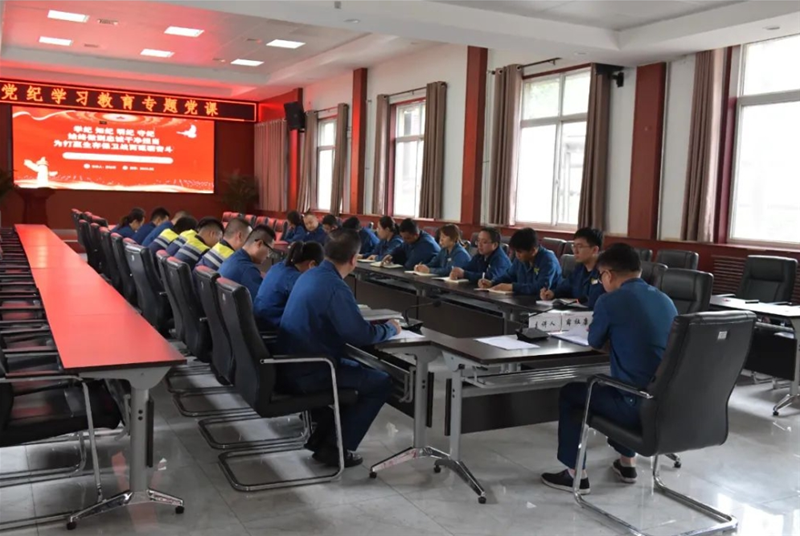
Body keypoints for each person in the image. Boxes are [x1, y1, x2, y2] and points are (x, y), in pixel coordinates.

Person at [541, 244, 678, 494]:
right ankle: (627, 464)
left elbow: (594, 341)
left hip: (633, 405)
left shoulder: (610, 300)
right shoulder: (665, 299)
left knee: (572, 393)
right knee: (620, 382)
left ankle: (575, 474)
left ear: (608, 275)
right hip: (666, 403)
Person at [277, 229, 401, 468]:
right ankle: (335, 449)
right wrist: (390, 329)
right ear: (354, 259)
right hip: (311, 370)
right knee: (381, 382)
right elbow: (360, 335)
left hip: (291, 363)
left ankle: (324, 440)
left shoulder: (310, 275)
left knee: (358, 370)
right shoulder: (334, 286)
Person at [254, 241, 324, 330]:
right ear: (312, 265)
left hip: (260, 321)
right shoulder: (295, 279)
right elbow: (312, 305)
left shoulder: (279, 266)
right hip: (271, 327)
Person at [480, 228, 560, 295]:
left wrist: (512, 287)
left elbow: (541, 288)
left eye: (519, 252)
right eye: (515, 251)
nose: (517, 255)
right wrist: (492, 282)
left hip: (545, 303)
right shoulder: (520, 259)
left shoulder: (548, 261)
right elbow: (509, 276)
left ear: (533, 250)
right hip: (523, 299)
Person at [541, 228, 605, 309]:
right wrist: (552, 293)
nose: (575, 251)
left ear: (595, 250)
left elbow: (596, 300)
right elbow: (565, 288)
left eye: (580, 247)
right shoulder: (579, 269)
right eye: (574, 246)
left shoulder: (605, 272)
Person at [217, 225, 276, 299]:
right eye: (269, 250)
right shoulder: (248, 270)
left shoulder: (232, 257)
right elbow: (262, 302)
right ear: (259, 244)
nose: (268, 256)